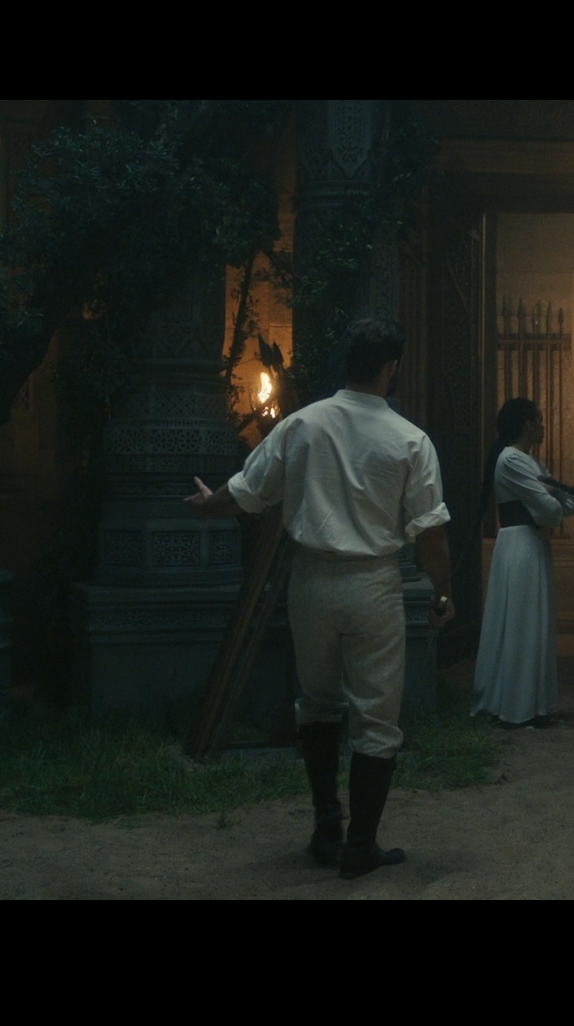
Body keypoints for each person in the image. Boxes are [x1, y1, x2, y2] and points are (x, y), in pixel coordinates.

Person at [183, 317, 453, 881]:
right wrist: (443, 593)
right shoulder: (410, 440)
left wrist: (208, 505)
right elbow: (431, 533)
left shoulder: (302, 425)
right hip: (372, 583)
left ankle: (327, 827)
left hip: (310, 581)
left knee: (318, 703)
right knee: (376, 719)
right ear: (391, 367)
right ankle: (360, 845)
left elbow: (246, 492)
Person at [471, 398, 574, 729]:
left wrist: (549, 494)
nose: (544, 427)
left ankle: (533, 705)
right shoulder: (510, 459)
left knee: (533, 622)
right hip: (519, 544)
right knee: (520, 622)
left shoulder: (531, 462)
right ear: (528, 424)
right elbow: (550, 511)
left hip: (533, 545)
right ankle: (514, 706)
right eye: (540, 420)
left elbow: (569, 504)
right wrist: (549, 497)